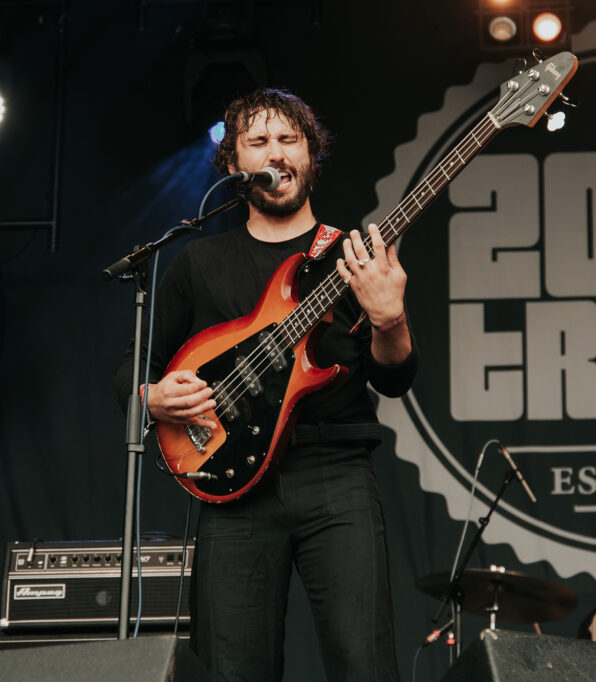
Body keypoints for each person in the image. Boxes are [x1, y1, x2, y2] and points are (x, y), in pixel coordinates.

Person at [114, 88, 417, 681]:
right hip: (233, 487)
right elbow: (135, 363)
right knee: (232, 668)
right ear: (234, 165)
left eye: (289, 139)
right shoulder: (197, 263)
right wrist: (152, 397)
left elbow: (394, 376)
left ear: (311, 155)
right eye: (258, 142)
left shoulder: (353, 258)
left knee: (364, 663)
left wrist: (391, 320)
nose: (275, 152)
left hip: (336, 476)